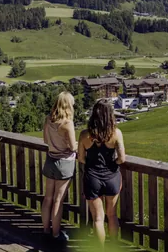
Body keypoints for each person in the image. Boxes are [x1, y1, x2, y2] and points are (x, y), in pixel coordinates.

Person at [78, 99, 126, 246]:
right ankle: (113, 246)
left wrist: (92, 164)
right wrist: (113, 164)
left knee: (98, 218)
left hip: (92, 178)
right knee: (112, 215)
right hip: (111, 177)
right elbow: (122, 158)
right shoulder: (116, 133)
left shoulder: (85, 134)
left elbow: (80, 158)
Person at [42, 91, 77, 242]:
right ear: (68, 105)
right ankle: (56, 234)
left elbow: (45, 140)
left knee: (48, 198)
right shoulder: (67, 124)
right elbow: (73, 147)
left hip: (50, 161)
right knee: (58, 200)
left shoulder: (48, 119)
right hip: (64, 163)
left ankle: (45, 230)